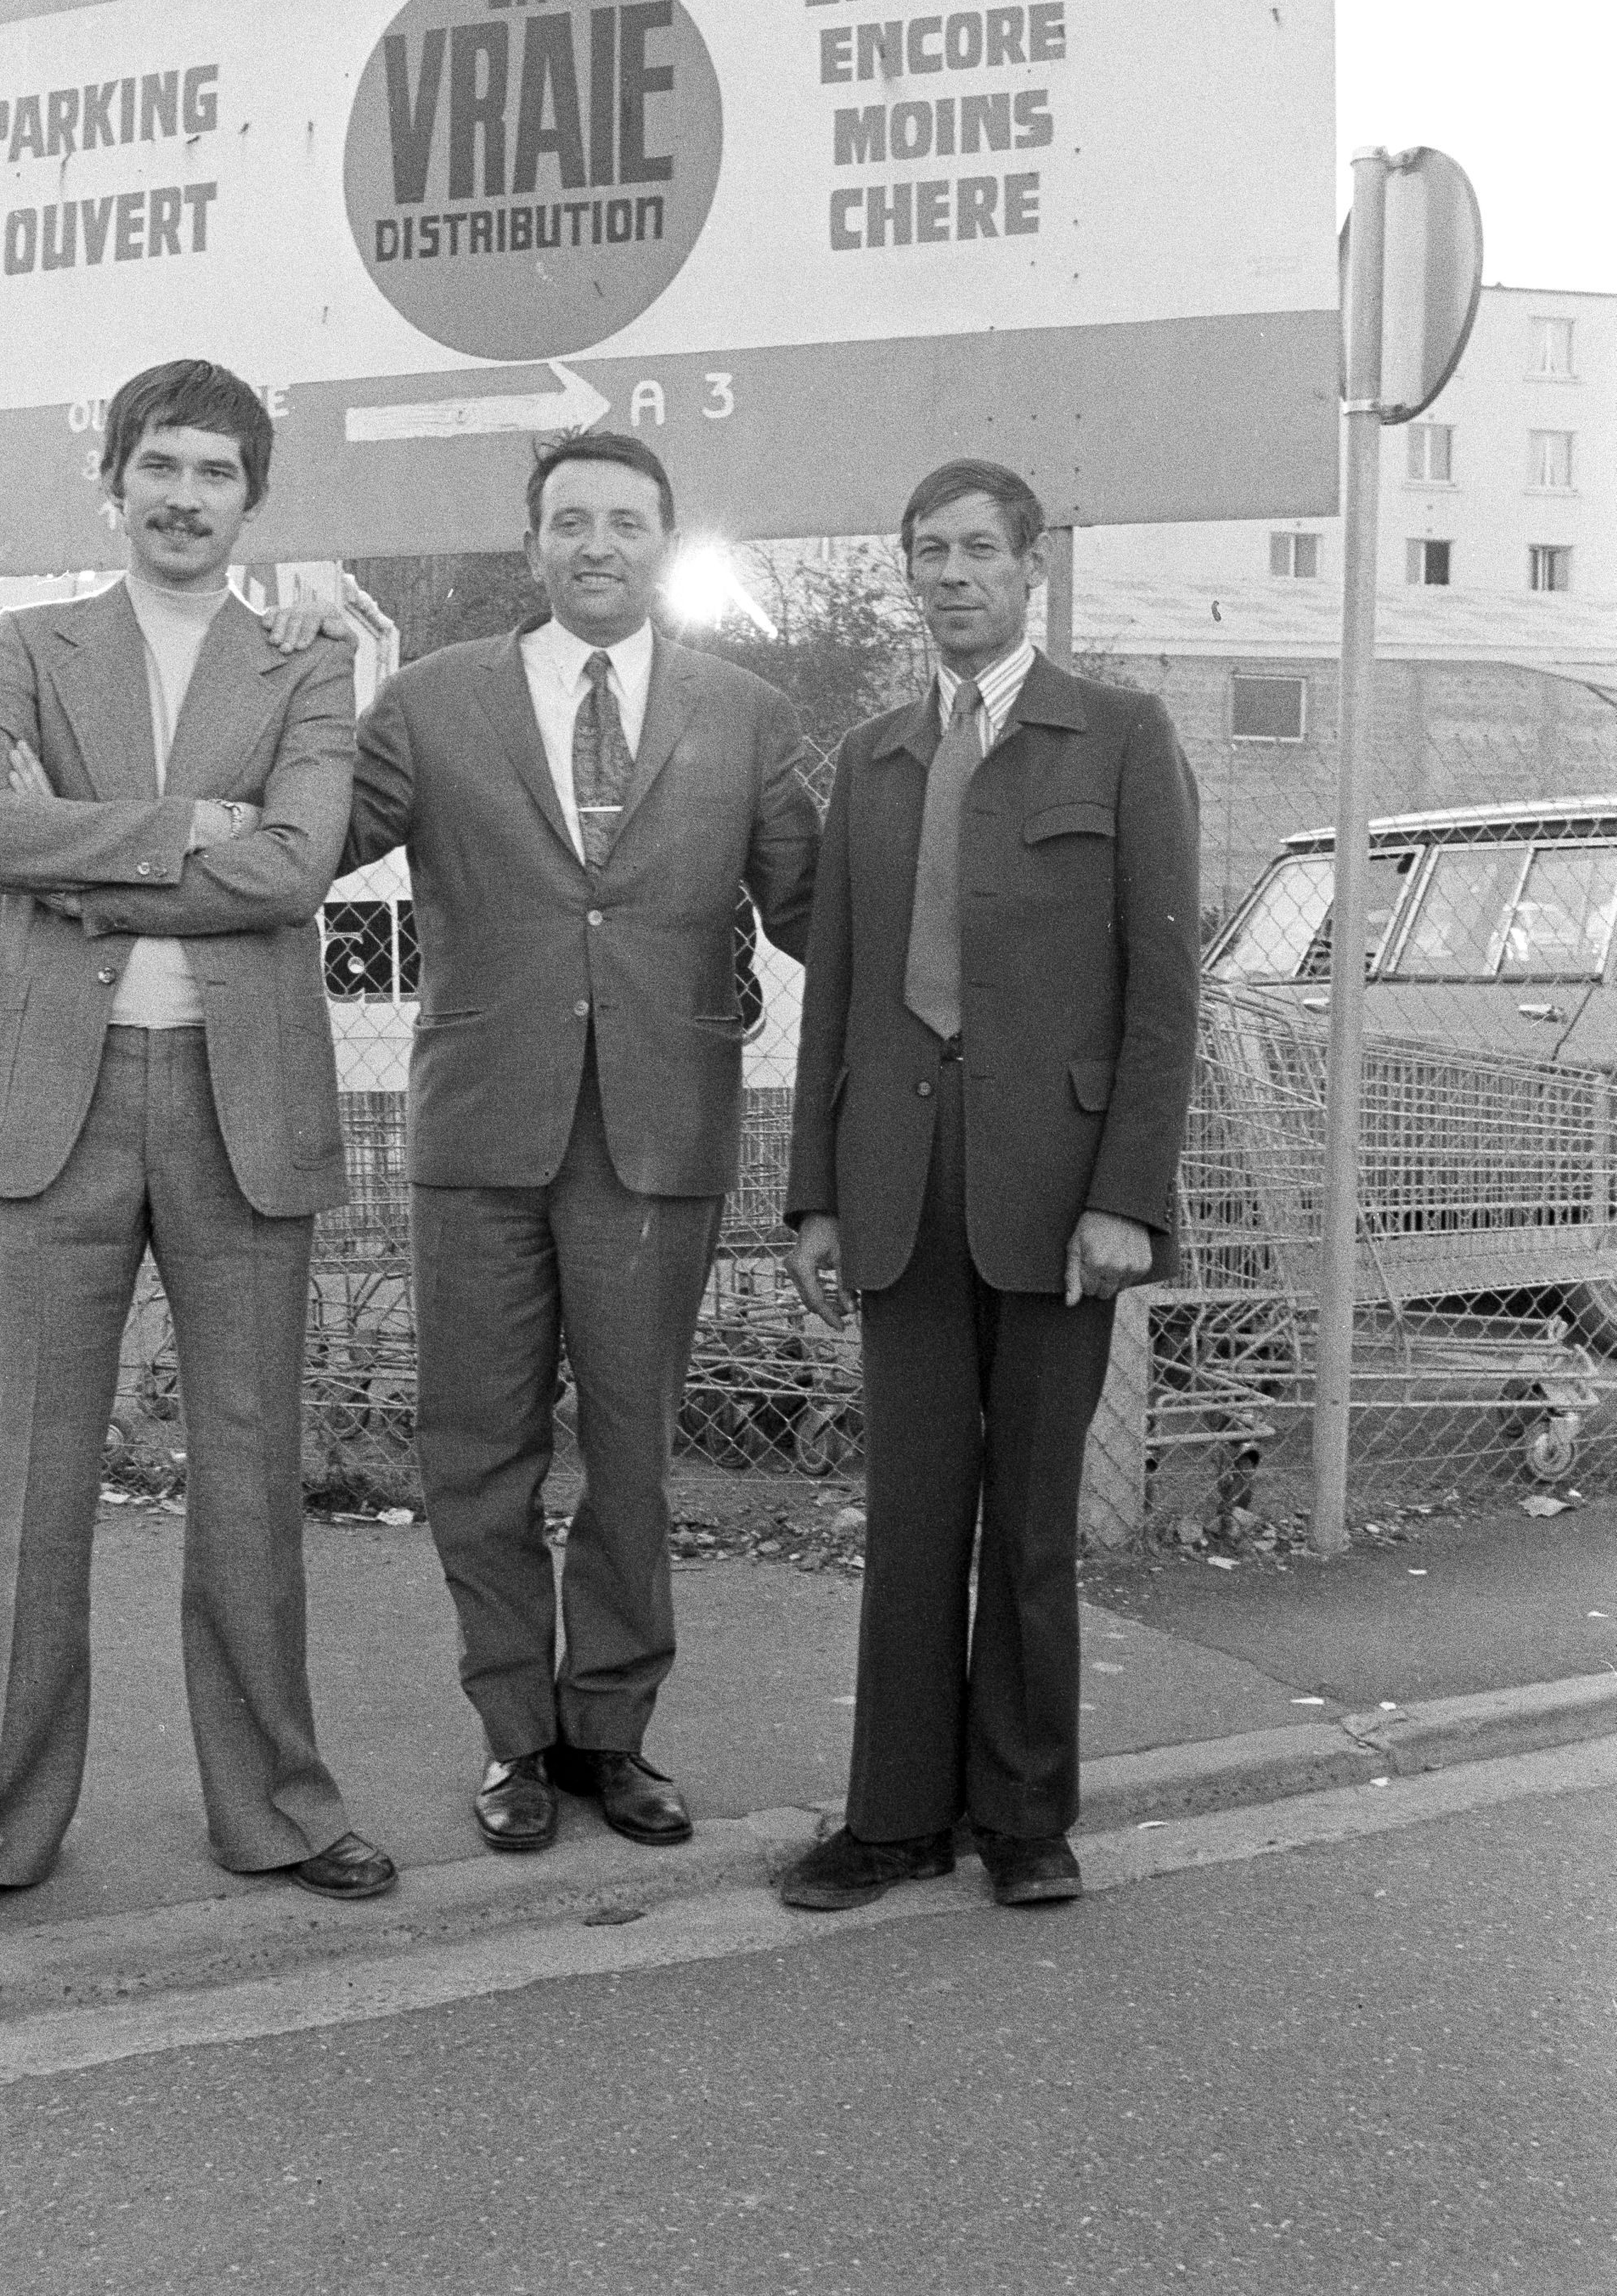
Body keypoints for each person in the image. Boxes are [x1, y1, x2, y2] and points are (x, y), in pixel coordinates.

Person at [0, 358, 397, 1931]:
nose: (185, 497)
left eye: (217, 472)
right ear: (112, 482)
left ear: (254, 497)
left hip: (240, 1108)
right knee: (33, 1487)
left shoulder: (306, 665)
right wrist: (190, 827)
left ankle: (276, 1810)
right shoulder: (31, 643)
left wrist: (94, 857)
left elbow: (297, 868)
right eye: (160, 466)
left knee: (250, 1480)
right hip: (68, 1096)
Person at [344, 429, 818, 1856]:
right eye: (569, 521)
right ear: (531, 542)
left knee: (630, 1454)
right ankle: (514, 1738)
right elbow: (309, 842)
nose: (596, 543)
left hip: (656, 1136)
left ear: (664, 541)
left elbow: (819, 911)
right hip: (483, 1132)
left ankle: (610, 1730)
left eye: (625, 520)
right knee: (474, 1452)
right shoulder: (429, 704)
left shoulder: (743, 712)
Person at [778, 460, 1198, 1913]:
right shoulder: (876, 755)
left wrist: (1126, 1193)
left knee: (1026, 1519)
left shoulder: (1123, 738)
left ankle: (1023, 1817)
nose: (948, 575)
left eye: (975, 550)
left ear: (1031, 568)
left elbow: (1162, 992)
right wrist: (816, 1193)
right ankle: (892, 1817)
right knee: (908, 1517)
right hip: (899, 1183)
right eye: (924, 553)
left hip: (1054, 1192)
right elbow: (832, 989)